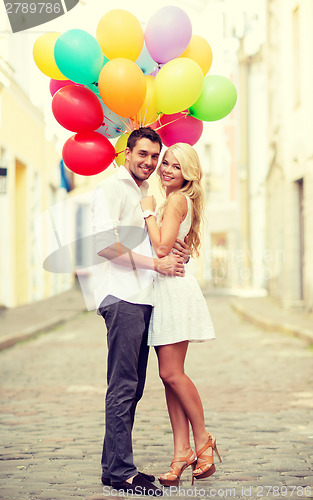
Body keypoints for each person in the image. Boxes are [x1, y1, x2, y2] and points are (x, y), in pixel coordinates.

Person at [90, 127, 189, 496]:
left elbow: (155, 242)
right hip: (121, 296)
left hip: (143, 297)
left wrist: (174, 252)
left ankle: (112, 468)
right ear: (126, 154)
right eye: (142, 154)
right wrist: (154, 264)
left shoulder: (146, 193)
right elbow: (103, 245)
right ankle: (122, 474)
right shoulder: (111, 189)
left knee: (133, 388)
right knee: (123, 386)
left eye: (154, 156)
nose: (149, 162)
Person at [140, 143, 221, 488]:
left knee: (172, 373)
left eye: (175, 166)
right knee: (168, 376)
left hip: (173, 291)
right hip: (166, 287)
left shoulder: (174, 200)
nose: (166, 169)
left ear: (188, 171)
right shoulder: (175, 200)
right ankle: (181, 452)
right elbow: (170, 247)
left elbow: (160, 247)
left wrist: (147, 213)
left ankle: (202, 439)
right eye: (165, 163)